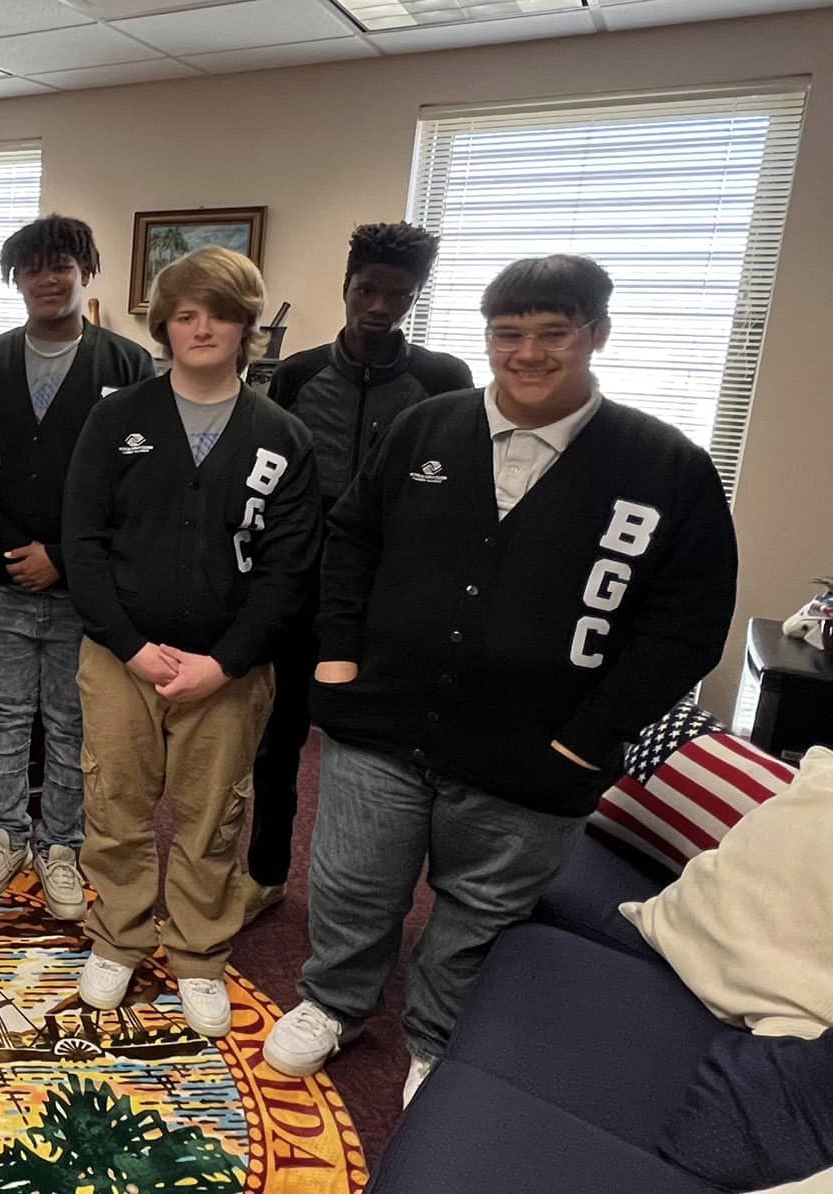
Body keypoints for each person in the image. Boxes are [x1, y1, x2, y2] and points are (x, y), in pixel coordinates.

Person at [262, 255, 738, 1105]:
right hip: (385, 717)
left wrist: (593, 733)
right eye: (508, 333)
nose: (528, 352)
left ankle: (441, 1036)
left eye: (553, 333)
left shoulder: (666, 467)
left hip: (541, 744)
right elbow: (352, 540)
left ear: (596, 334)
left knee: (480, 908)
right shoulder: (425, 428)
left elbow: (687, 625)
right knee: (351, 881)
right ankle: (334, 1001)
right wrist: (337, 654)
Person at [61, 246, 319, 1038]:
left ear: (246, 325)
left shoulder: (283, 436)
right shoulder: (118, 419)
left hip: (228, 671)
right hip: (121, 657)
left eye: (219, 313)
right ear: (165, 326)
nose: (201, 327)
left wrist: (226, 662)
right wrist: (131, 645)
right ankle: (121, 935)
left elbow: (288, 569)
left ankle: (200, 954)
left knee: (213, 817)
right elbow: (83, 541)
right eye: (184, 314)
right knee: (116, 803)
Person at [246, 223, 473, 924]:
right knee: (278, 740)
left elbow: (457, 491)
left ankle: (365, 902)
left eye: (395, 295)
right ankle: (265, 874)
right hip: (300, 586)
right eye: (366, 290)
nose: (378, 306)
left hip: (390, 599)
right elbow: (269, 478)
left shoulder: (443, 381)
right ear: (346, 289)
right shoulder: (298, 374)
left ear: (415, 298)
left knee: (371, 755)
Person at [0, 214, 157, 921]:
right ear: (16, 281)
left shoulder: (127, 366)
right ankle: (7, 834)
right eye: (32, 269)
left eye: (61, 265)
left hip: (88, 591)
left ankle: (62, 846)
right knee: (4, 716)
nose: (47, 280)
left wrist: (66, 561)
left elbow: (139, 489)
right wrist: (16, 556)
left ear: (86, 272)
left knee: (74, 724)